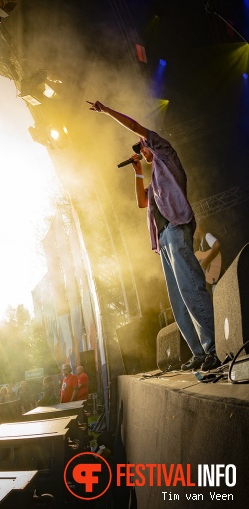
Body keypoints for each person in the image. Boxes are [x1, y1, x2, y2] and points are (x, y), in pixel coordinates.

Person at [88, 100, 219, 372]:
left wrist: (107, 110)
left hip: (177, 230)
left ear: (151, 145)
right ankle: (198, 351)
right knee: (177, 298)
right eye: (139, 148)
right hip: (163, 242)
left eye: (141, 146)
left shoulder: (166, 156)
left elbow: (136, 126)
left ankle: (215, 347)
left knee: (190, 287)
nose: (140, 150)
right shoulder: (155, 185)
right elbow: (141, 203)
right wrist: (137, 173)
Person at [194, 224, 222, 292]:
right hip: (214, 281)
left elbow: (216, 245)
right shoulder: (200, 248)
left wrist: (206, 261)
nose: (192, 235)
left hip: (221, 275)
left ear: (198, 229)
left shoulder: (207, 236)